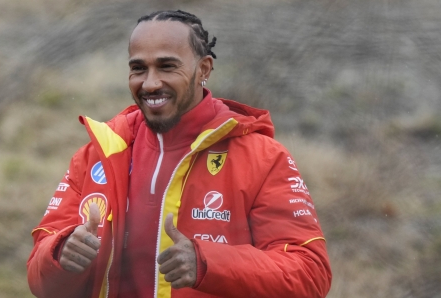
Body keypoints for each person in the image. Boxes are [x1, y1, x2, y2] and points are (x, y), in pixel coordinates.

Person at [27, 9, 332, 298]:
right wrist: (60, 254)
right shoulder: (98, 154)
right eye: (138, 68)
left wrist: (208, 263)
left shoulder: (264, 158)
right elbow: (40, 280)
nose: (150, 83)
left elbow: (310, 274)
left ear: (203, 69)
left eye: (167, 66)